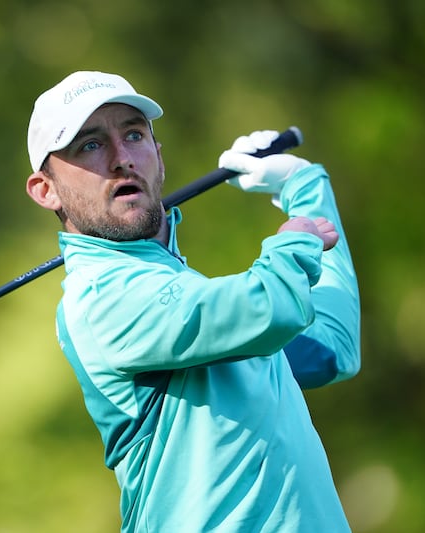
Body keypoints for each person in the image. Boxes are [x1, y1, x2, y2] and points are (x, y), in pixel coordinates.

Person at [24, 71, 361, 532]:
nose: (123, 158)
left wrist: (302, 188)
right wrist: (293, 242)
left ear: (158, 158)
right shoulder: (100, 298)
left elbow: (331, 347)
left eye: (134, 135)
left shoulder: (189, 289)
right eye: (90, 145)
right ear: (46, 190)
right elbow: (270, 307)